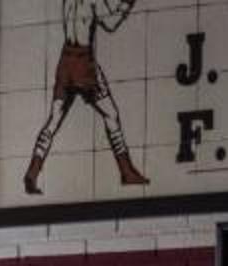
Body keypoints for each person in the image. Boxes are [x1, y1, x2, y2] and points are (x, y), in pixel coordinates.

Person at [24, 0, 152, 196]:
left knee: (54, 120)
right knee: (111, 114)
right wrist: (126, 4)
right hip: (84, 64)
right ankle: (126, 172)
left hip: (65, 61)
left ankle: (32, 173)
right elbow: (111, 24)